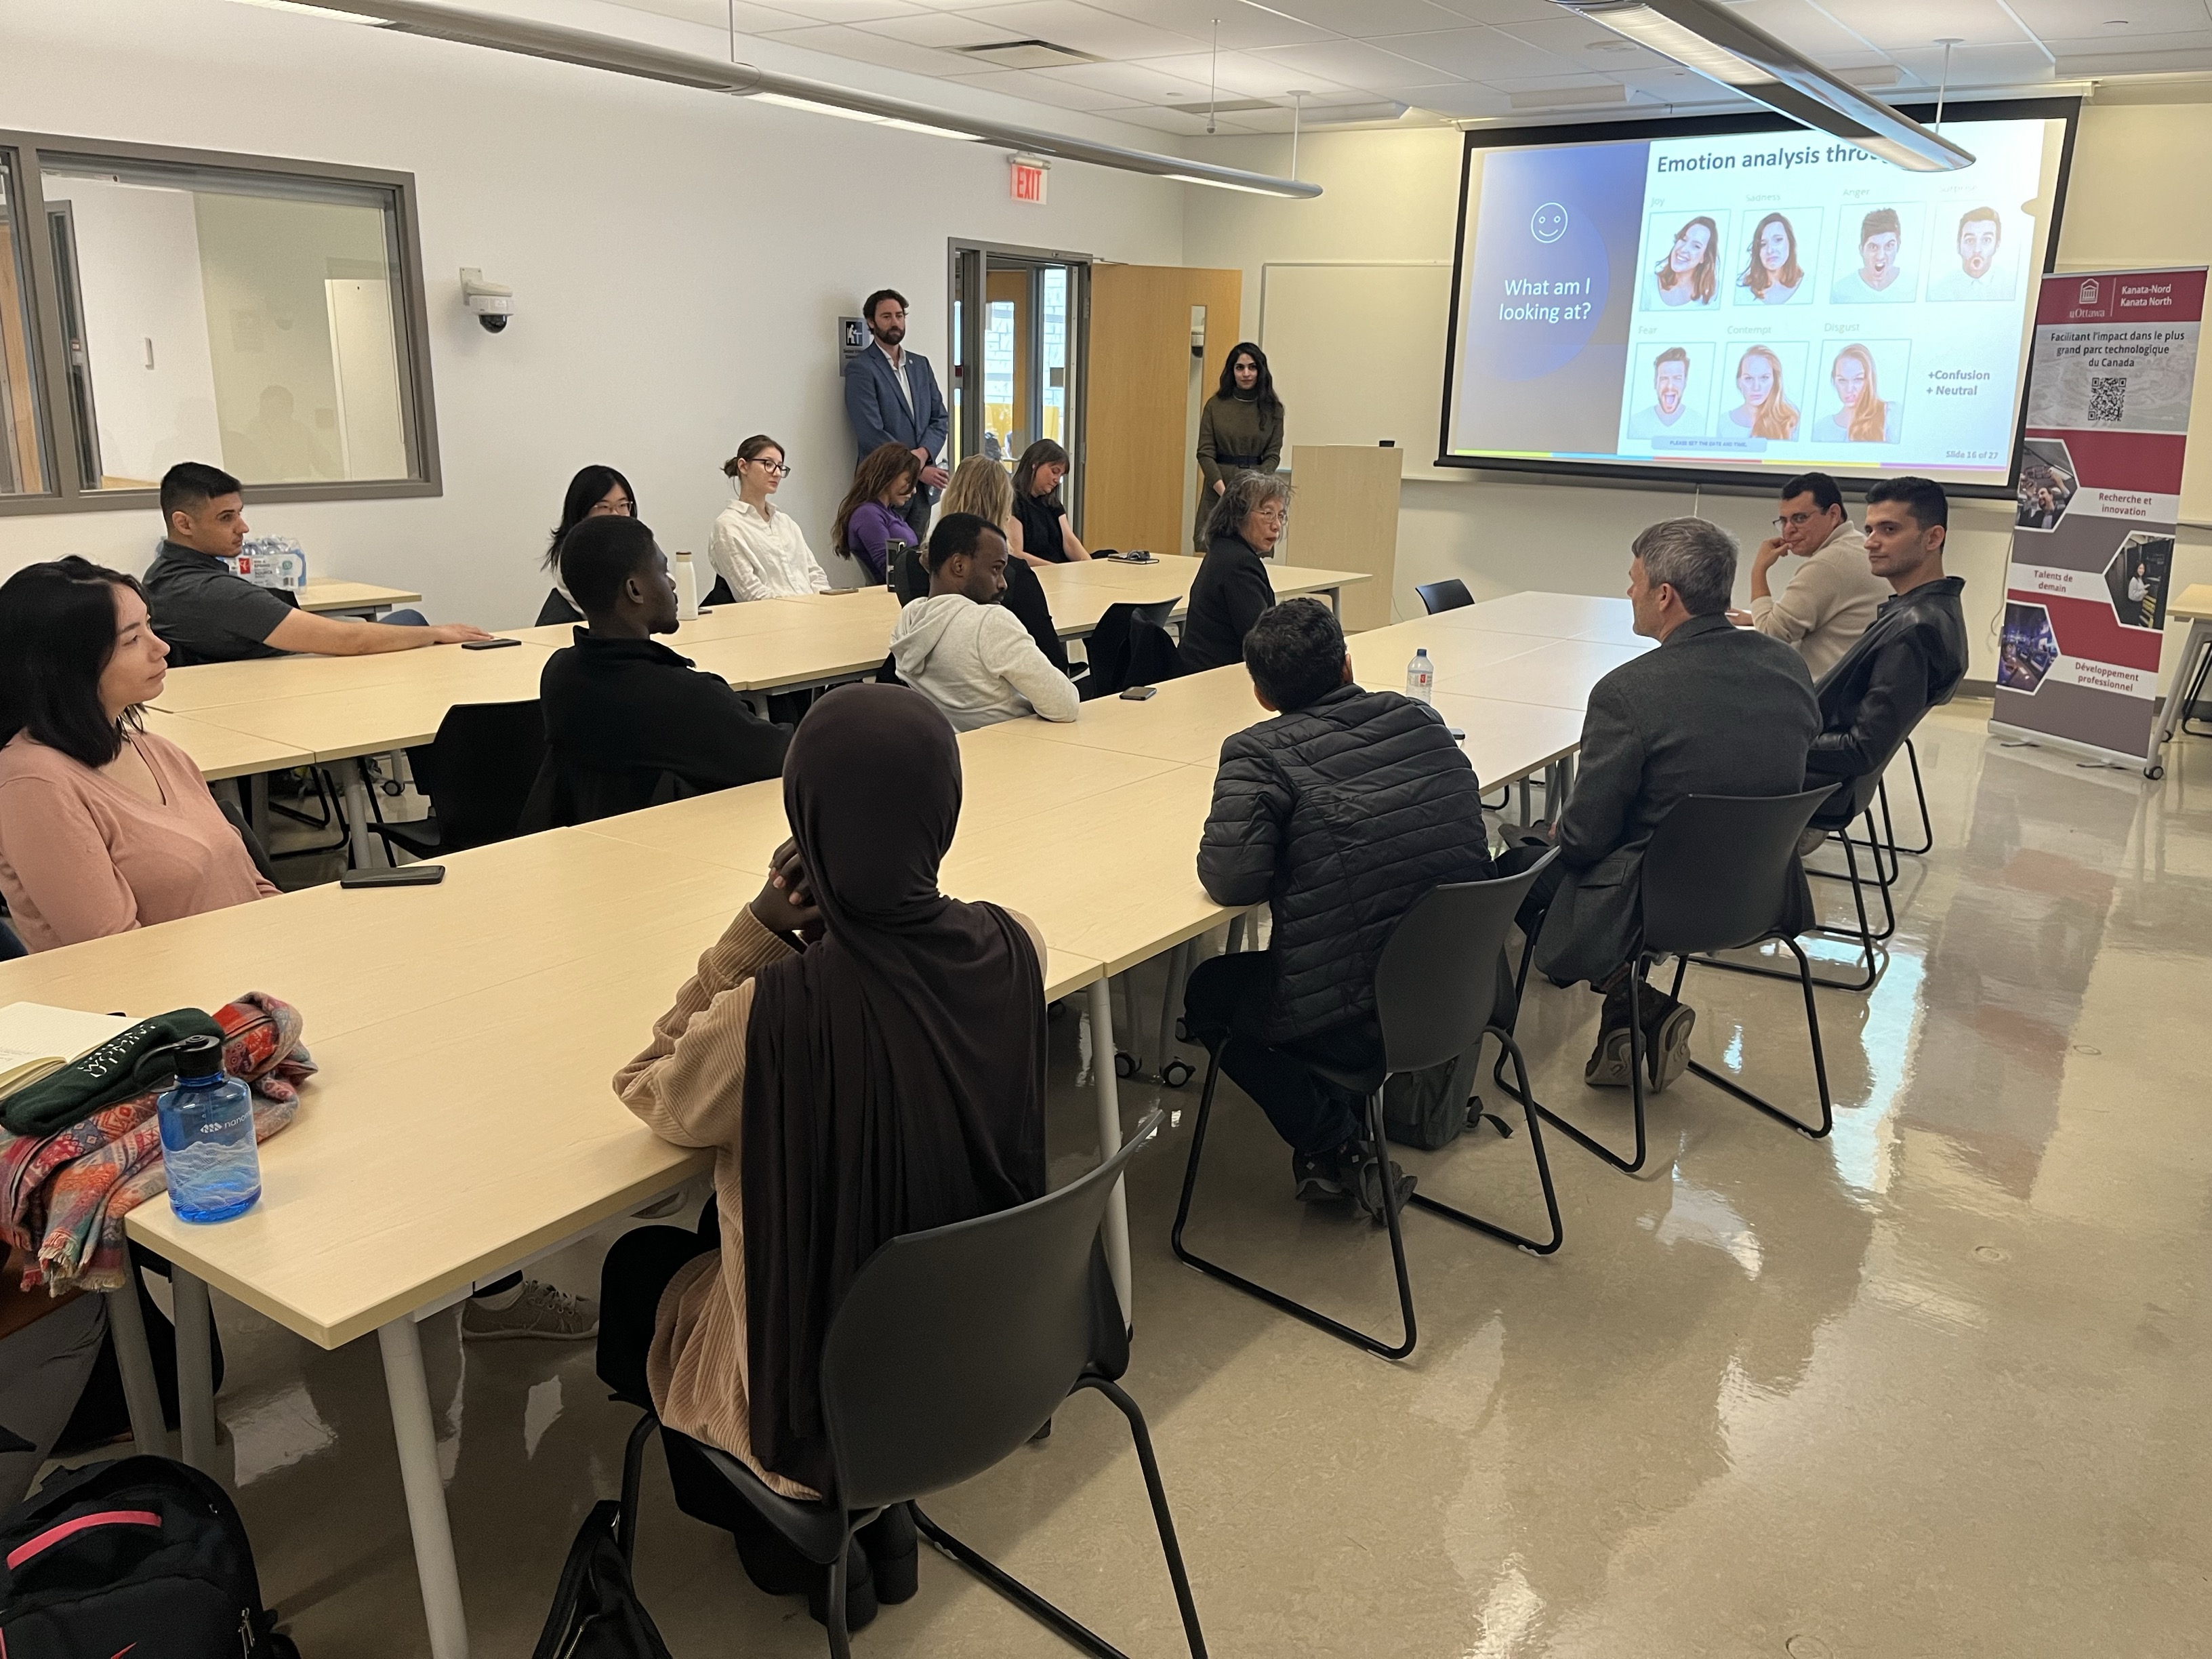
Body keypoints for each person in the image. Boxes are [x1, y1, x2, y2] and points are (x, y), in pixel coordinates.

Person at [594, 682, 1048, 1629]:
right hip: (980, 1348)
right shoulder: (1017, 947)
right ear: (945, 815)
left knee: (641, 1271)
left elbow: (652, 1092)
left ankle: (783, 1542)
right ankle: (882, 1524)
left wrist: (750, 937)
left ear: (805, 824)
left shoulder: (773, 1015)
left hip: (829, 1406)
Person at [1183, 598, 1494, 1212]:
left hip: (1360, 1017)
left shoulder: (1256, 751)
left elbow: (1232, 881)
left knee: (1209, 996)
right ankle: (1341, 1144)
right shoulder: (1421, 719)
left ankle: (1336, 1141)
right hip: (1459, 990)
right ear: (1348, 665)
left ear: (1261, 694)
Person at [1498, 519, 1818, 1091]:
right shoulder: (1789, 668)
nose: (1630, 593)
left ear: (1664, 595)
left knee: (1514, 866)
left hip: (1659, 901)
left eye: (1634, 581)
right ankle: (1628, 1012)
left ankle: (1636, 1001)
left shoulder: (1629, 692)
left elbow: (1586, 839)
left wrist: (1551, 835)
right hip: (1761, 890)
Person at [0, 558, 279, 951]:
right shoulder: (32, 784)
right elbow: (115, 952)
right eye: (132, 640)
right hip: (165, 1005)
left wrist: (289, 942)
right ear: (65, 664)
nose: (161, 647)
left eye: (149, 625)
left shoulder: (157, 750)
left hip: (248, 972)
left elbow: (251, 884)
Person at [537, 515, 789, 820]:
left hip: (591, 851)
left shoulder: (558, 676)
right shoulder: (683, 697)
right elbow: (781, 755)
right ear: (635, 590)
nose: (671, 582)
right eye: (663, 569)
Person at [144, 463, 489, 661]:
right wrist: (440, 633)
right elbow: (350, 642)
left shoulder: (160, 576)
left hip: (256, 674)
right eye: (226, 518)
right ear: (184, 524)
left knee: (393, 626)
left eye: (240, 515)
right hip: (279, 687)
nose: (243, 528)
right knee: (412, 623)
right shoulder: (212, 592)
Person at [1804, 476, 1968, 801]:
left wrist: (1774, 745)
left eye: (1889, 530)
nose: (1870, 543)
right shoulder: (1929, 609)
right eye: (1870, 530)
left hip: (1812, 788)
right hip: (1819, 772)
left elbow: (1861, 749)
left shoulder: (1916, 629)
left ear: (1934, 537)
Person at [886, 514, 1080, 732]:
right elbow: (1065, 706)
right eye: (996, 569)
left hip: (961, 751)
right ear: (959, 566)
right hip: (1020, 749)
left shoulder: (909, 621)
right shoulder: (989, 623)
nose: (1003, 583)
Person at [1728, 472, 1890, 680]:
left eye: (1800, 518)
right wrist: (1756, 618)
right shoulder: (1855, 545)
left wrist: (1759, 570)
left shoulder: (1829, 563)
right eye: (1783, 521)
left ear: (1833, 514)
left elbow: (1771, 634)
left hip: (1819, 697)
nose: (1788, 531)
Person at [929, 458, 1076, 677]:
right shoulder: (1013, 574)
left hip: (936, 688)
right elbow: (1053, 663)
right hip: (1001, 695)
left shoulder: (918, 564)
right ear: (1004, 507)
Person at [842, 288, 949, 543]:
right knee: (887, 566)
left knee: (915, 562)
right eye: (886, 316)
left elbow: (940, 419)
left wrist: (922, 456)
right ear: (871, 322)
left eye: (899, 316)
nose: (895, 323)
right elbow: (870, 432)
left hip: (922, 490)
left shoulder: (920, 365)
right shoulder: (861, 369)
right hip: (883, 485)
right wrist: (914, 470)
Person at [1181, 472, 1288, 675]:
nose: (1276, 526)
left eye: (1281, 516)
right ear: (1239, 515)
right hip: (1217, 680)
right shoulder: (1239, 564)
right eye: (1267, 514)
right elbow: (1261, 642)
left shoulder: (1223, 550)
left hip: (1202, 673)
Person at [708, 436, 832, 600]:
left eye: (780, 467)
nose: (778, 473)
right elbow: (751, 593)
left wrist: (825, 604)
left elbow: (814, 573)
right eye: (768, 464)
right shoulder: (728, 526)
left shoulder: (786, 523)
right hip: (771, 618)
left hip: (811, 611)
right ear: (743, 466)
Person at [1194, 342, 1285, 552]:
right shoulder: (1215, 405)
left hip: (1256, 492)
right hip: (1219, 488)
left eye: (1252, 367)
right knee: (1214, 551)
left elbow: (1273, 455)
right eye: (1240, 367)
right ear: (1231, 371)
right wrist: (1225, 493)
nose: (1246, 373)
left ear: (1260, 371)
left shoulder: (1273, 409)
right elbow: (1205, 453)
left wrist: (1254, 490)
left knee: (1251, 553)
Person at [537, 464, 638, 625]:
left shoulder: (639, 547)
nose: (616, 515)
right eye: (604, 507)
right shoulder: (575, 557)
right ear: (582, 513)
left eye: (622, 505)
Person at [832, 443, 922, 586]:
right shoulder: (868, 514)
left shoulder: (887, 513)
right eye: (908, 481)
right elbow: (890, 569)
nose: (913, 490)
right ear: (889, 475)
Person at [1009, 439, 1091, 566]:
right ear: (1035, 465)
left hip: (1059, 568)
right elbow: (1016, 553)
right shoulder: (1013, 500)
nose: (1057, 480)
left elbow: (1069, 541)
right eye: (1054, 471)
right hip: (1036, 573)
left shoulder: (1052, 502)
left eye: (1061, 475)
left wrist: (1089, 566)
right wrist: (1056, 569)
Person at [1813, 345, 1896, 445]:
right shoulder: (1821, 429)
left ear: (1870, 380)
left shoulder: (1891, 415)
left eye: (1858, 380)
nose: (1849, 389)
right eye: (1842, 380)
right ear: (1834, 381)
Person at [1928, 207, 2011, 301]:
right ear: (1958, 245)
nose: (1977, 250)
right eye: (1970, 240)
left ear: (1997, 245)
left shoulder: (2010, 286)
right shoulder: (1938, 292)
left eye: (1986, 240)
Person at [1830, 208, 1910, 303]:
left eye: (1889, 246)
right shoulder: (1839, 292)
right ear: (1861, 250)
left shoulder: (1913, 286)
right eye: (1873, 247)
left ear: (1898, 246)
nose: (1880, 256)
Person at [1625, 347, 1702, 440]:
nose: (1670, 386)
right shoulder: (1635, 424)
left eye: (1677, 378)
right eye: (1664, 379)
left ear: (1685, 383)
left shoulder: (1700, 424)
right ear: (1655, 383)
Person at [1725, 346, 1799, 441]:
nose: (1756, 387)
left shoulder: (1792, 423)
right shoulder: (1721, 424)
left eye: (1764, 378)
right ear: (1739, 382)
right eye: (1748, 378)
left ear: (1775, 381)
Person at [1736, 211, 1804, 304]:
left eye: (1778, 240)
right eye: (1763, 244)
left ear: (1790, 244)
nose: (1770, 250)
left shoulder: (1809, 285)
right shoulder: (1742, 292)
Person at [1651, 216, 1719, 307]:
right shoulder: (1647, 285)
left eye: (1696, 246)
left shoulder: (1711, 298)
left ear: (1704, 258)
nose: (1683, 249)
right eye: (1683, 239)